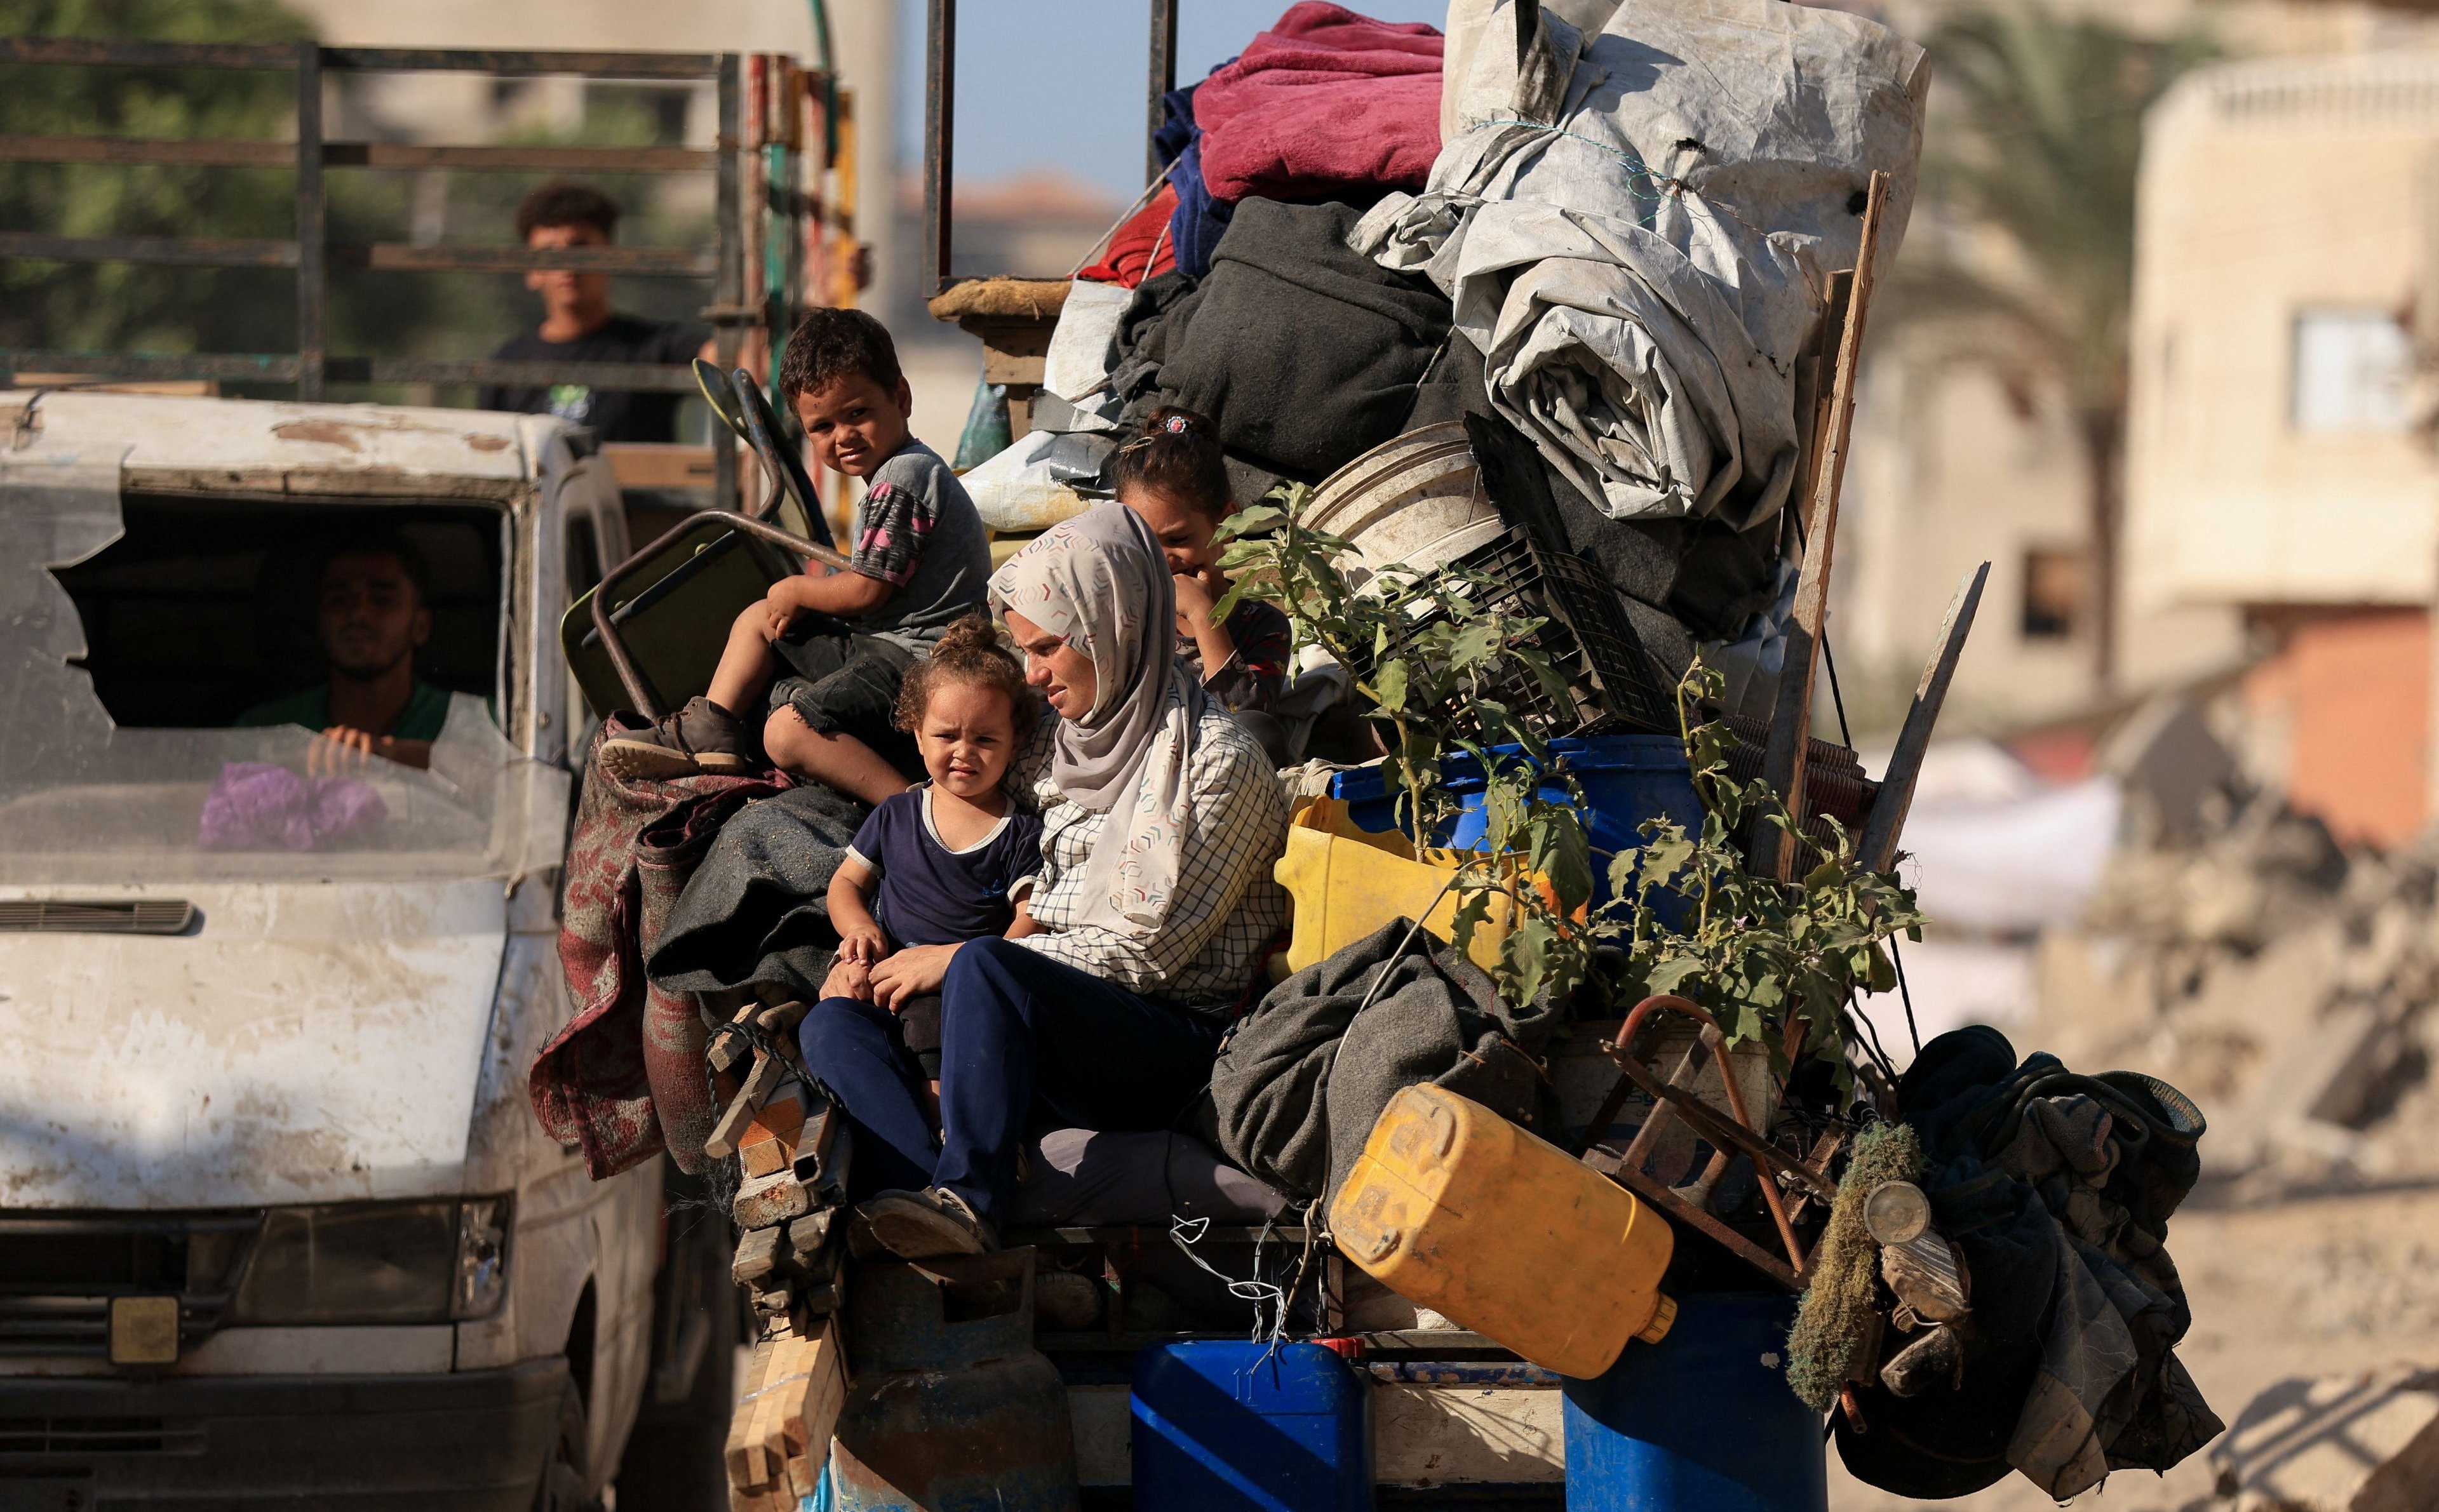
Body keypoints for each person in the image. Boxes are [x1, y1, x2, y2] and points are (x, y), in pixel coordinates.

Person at [798, 502, 1291, 1260]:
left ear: (1113, 625)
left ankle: (969, 1200)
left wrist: (958, 959)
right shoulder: (1053, 744)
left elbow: (1146, 959)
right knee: (831, 1026)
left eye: (1050, 647)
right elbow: (961, 836)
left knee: (991, 966)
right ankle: (927, 1206)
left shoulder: (1217, 764)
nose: (1031, 673)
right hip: (1019, 1006)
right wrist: (868, 954)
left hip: (1156, 1036)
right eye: (1025, 649)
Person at [600, 308, 993, 801]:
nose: (843, 436)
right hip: (889, 645)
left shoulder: (905, 478)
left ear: (901, 397)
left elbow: (870, 589)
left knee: (786, 731)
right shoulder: (897, 475)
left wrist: (797, 588)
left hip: (916, 659)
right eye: (823, 426)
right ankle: (711, 730)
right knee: (759, 619)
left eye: (857, 414)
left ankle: (912, 811)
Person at [823, 616, 1045, 1107]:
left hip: (960, 988)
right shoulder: (896, 814)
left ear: (1015, 741)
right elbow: (845, 884)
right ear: (917, 734)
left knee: (933, 1028)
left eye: (986, 740)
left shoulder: (1020, 832)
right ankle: (898, 1133)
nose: (965, 752)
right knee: (829, 1017)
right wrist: (858, 933)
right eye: (947, 736)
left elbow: (1029, 922)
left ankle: (946, 1128)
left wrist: (963, 963)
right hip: (888, 965)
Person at [476, 181, 723, 443]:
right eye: (549, 252)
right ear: (531, 271)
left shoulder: (656, 347)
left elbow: (734, 364)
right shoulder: (507, 365)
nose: (567, 265)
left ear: (611, 257)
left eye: (579, 247)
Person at [1112, 407, 1293, 732]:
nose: (1161, 559)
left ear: (1226, 524)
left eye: (1178, 538)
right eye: (1142, 542)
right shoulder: (1125, 621)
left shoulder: (1264, 626)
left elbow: (1247, 726)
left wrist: (1203, 615)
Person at [236, 537, 452, 770]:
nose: (358, 614)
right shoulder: (264, 731)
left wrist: (392, 755)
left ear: (421, 626)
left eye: (382, 600)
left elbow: (494, 774)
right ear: (320, 623)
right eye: (339, 600)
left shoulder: (475, 723)